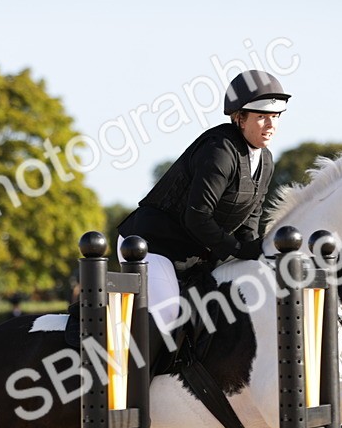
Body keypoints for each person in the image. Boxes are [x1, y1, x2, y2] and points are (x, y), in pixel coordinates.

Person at [117, 69, 290, 344]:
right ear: (239, 118)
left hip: (193, 255)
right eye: (261, 117)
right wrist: (238, 249)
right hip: (152, 246)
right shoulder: (220, 150)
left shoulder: (265, 160)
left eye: (276, 116)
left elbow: (249, 221)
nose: (270, 125)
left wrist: (258, 254)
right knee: (169, 314)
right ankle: (131, 372)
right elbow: (197, 217)